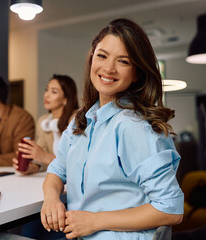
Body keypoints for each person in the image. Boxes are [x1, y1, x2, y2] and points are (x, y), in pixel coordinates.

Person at [40, 18, 184, 240]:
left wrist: (95, 220)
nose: (108, 68)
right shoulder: (81, 120)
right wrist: (51, 198)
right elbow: (57, 169)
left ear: (136, 73)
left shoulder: (133, 126)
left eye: (123, 61)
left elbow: (170, 209)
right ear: (92, 57)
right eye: (102, 55)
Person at [13, 74, 79, 174]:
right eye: (46, 90)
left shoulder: (77, 120)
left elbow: (76, 162)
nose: (46, 95)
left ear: (66, 99)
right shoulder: (43, 122)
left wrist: (44, 156)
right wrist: (32, 168)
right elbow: (42, 159)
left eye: (54, 92)